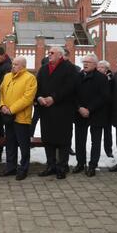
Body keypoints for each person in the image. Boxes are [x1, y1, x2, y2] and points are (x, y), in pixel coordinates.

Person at [35, 46, 78, 179]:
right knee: (48, 139)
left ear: (60, 55)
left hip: (63, 110)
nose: (49, 54)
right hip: (46, 110)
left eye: (52, 53)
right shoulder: (43, 69)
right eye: (48, 53)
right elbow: (38, 86)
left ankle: (62, 166)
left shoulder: (69, 68)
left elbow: (70, 87)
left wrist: (54, 97)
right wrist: (39, 97)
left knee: (63, 139)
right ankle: (51, 165)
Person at [0, 56, 37, 180]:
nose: (13, 66)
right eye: (13, 64)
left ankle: (23, 169)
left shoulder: (30, 78)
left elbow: (27, 98)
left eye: (16, 64)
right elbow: (1, 93)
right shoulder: (7, 76)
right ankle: (11, 167)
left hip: (21, 118)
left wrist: (12, 109)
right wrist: (2, 105)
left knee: (23, 145)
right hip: (8, 117)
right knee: (10, 144)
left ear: (23, 66)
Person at [74, 54, 110, 177]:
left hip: (96, 114)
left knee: (96, 142)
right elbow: (73, 94)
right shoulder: (77, 76)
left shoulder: (102, 78)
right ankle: (80, 163)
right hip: (79, 114)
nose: (85, 64)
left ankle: (92, 165)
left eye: (88, 62)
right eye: (84, 61)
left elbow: (104, 97)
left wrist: (89, 109)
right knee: (80, 140)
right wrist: (79, 108)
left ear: (95, 64)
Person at [97, 60, 115, 158]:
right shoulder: (94, 78)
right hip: (96, 109)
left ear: (107, 69)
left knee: (107, 131)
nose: (99, 69)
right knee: (96, 133)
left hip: (108, 110)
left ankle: (108, 150)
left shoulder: (112, 79)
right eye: (98, 67)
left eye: (102, 67)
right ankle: (96, 151)